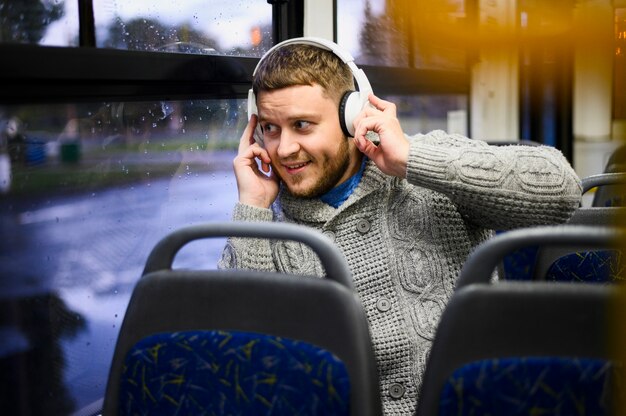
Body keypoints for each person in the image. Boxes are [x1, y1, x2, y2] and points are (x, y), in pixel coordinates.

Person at [218, 37, 582, 415]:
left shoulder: (427, 172)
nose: (284, 149)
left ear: (352, 116)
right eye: (271, 129)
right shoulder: (267, 228)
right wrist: (253, 207)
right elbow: (234, 359)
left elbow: (562, 191)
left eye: (302, 125)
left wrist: (412, 158)